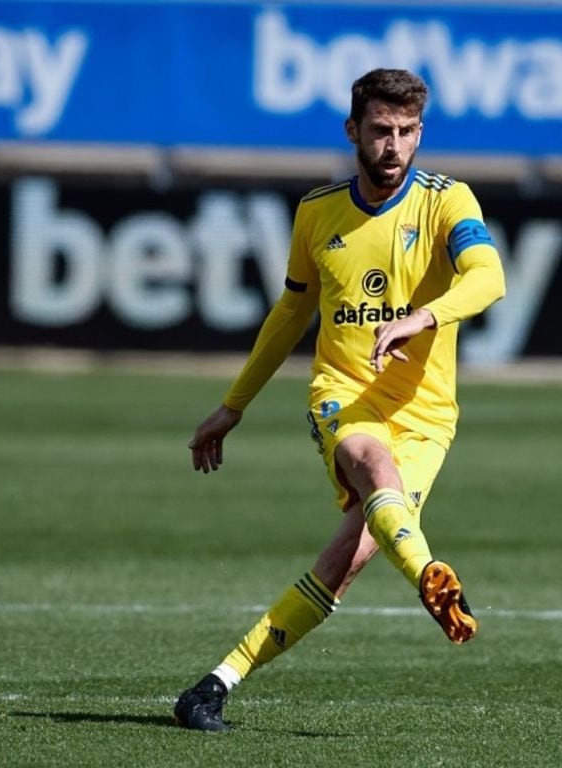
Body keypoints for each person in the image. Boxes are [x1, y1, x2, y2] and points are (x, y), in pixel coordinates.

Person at [173, 68, 506, 732]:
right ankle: (429, 578)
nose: (394, 145)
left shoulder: (448, 201)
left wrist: (423, 319)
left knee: (345, 562)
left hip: (428, 415)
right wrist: (234, 405)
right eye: (381, 130)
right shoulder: (318, 211)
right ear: (353, 130)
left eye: (408, 132)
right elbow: (292, 313)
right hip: (344, 395)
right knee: (373, 469)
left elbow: (489, 275)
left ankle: (213, 686)